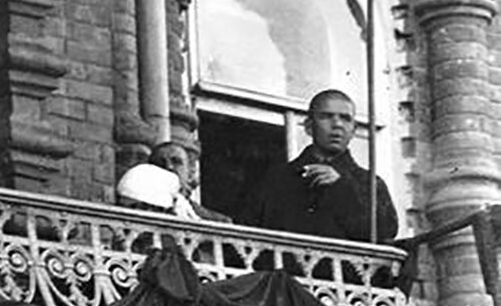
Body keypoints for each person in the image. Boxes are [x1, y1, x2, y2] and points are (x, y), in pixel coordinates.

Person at [240, 89, 398, 242]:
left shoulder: (369, 183)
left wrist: (341, 187)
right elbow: (247, 231)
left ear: (353, 130)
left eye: (345, 118)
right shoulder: (276, 179)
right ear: (309, 126)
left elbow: (386, 233)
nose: (337, 124)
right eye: (326, 117)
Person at [149, 140, 229, 223]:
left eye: (176, 162)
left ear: (190, 173)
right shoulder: (139, 210)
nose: (169, 166)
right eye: (160, 163)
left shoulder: (218, 221)